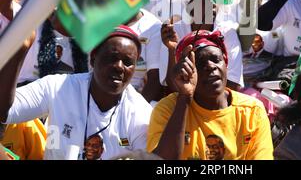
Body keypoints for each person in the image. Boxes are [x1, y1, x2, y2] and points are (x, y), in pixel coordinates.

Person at [0, 25, 153, 160]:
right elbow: (4, 111)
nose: (119, 67)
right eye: (112, 58)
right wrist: (20, 50)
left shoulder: (142, 113)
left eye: (128, 62)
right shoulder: (57, 87)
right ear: (93, 59)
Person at [147, 30, 274, 160]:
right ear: (185, 73)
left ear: (226, 64)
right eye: (199, 64)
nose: (210, 66)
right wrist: (184, 97)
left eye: (216, 59)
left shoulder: (252, 111)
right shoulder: (167, 109)